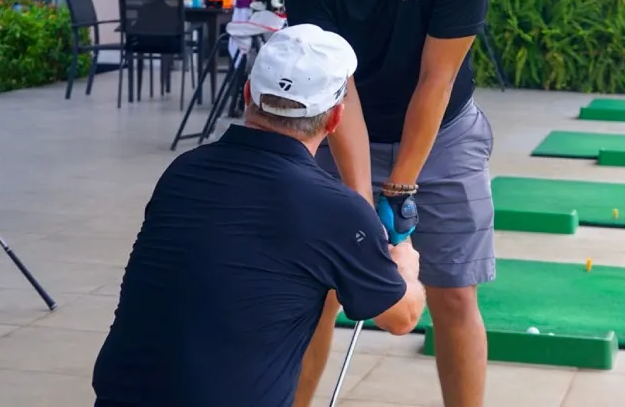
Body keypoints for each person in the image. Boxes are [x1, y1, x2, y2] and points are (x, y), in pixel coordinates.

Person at [92, 24, 426, 407]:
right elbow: (401, 318)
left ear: (248, 93)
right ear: (335, 119)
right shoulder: (338, 210)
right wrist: (406, 266)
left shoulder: (183, 171)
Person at [283, 0, 494, 407]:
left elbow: (437, 80)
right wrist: (358, 200)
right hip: (344, 130)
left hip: (442, 133)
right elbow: (339, 90)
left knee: (451, 294)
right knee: (319, 292)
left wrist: (399, 188)